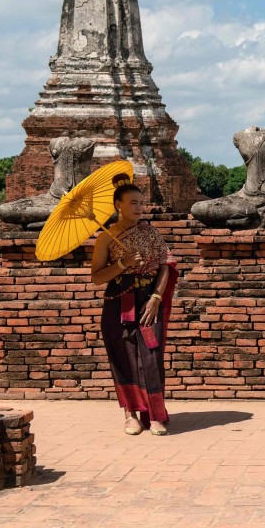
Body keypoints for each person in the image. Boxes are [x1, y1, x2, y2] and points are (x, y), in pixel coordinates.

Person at [91, 174, 178, 436]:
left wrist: (156, 298)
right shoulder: (106, 237)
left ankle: (154, 415)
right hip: (119, 301)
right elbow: (96, 277)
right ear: (118, 204)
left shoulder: (150, 232)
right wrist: (122, 264)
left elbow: (166, 266)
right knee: (124, 356)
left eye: (141, 202)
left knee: (151, 357)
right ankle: (130, 415)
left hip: (148, 299)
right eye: (133, 203)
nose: (139, 207)